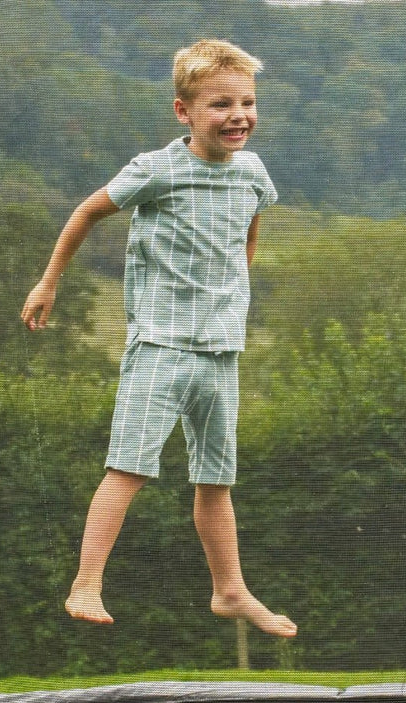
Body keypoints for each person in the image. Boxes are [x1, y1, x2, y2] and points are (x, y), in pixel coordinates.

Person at [21, 39, 297, 638]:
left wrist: (229, 287)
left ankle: (230, 589)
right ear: (185, 112)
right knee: (129, 467)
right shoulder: (157, 169)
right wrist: (48, 283)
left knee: (216, 480)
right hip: (161, 346)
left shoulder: (252, 171)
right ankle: (86, 581)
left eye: (247, 102)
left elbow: (248, 233)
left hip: (222, 351)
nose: (239, 116)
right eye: (221, 104)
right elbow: (86, 212)